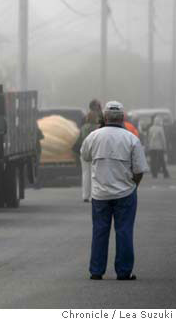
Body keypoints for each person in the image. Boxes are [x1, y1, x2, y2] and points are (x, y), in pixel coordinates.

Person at [80, 101, 148, 281]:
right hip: (125, 193)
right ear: (122, 118)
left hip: (100, 194)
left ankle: (96, 271)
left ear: (105, 117)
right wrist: (133, 185)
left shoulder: (94, 136)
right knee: (124, 231)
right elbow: (139, 170)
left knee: (99, 231)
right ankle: (124, 272)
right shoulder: (131, 139)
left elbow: (85, 155)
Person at [78, 111, 100, 202]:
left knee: (85, 174)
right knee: (94, 174)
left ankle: (85, 195)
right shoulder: (98, 128)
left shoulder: (83, 128)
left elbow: (81, 138)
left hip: (84, 150)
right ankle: (93, 195)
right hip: (95, 151)